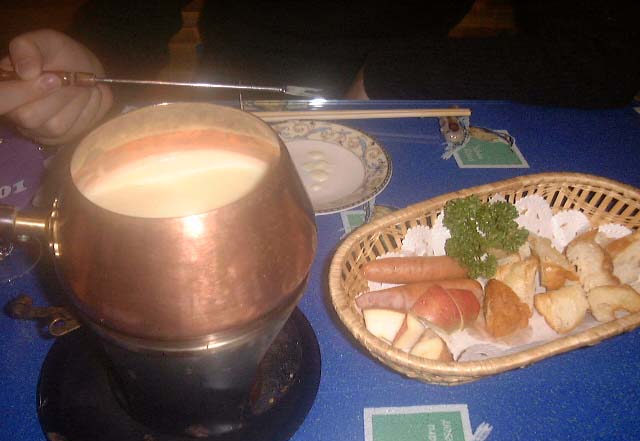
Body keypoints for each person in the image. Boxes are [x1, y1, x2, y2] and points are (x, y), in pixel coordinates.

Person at [1, 0, 639, 146]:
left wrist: (398, 70)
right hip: (234, 103)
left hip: (403, 114)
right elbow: (127, 18)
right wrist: (89, 68)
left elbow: (608, 58)